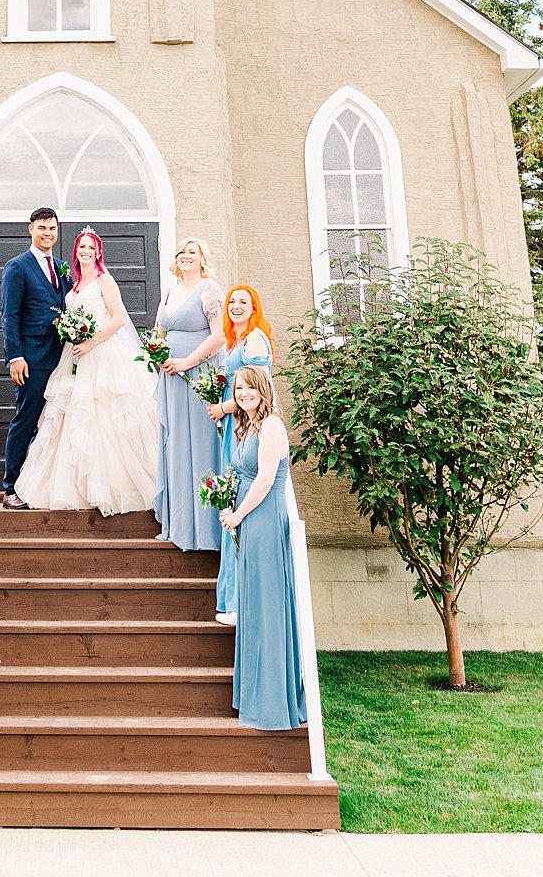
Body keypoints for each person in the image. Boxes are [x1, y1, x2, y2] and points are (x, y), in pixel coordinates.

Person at [15, 227, 158, 514]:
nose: (87, 252)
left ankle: (110, 488)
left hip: (102, 354)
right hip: (75, 354)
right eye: (82, 247)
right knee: (72, 416)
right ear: (76, 251)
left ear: (98, 252)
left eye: (92, 248)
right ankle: (76, 489)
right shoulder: (74, 283)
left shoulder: (105, 280)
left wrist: (91, 342)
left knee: (103, 416)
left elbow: (118, 319)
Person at [219, 363, 308, 732]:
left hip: (264, 520)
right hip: (246, 519)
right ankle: (253, 696)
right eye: (238, 389)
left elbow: (267, 478)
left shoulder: (270, 426)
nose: (243, 394)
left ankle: (272, 703)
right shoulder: (245, 426)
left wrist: (238, 514)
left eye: (249, 389)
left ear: (262, 390)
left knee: (268, 604)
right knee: (253, 604)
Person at [208, 283, 275, 624]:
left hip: (244, 426)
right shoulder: (236, 339)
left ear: (254, 308)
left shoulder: (254, 340)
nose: (235, 306)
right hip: (235, 427)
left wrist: (225, 405)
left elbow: (261, 387)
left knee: (239, 497)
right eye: (232, 301)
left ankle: (237, 602)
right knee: (230, 495)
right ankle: (231, 598)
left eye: (243, 302)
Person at [152, 235, 225, 550]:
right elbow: (159, 333)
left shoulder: (209, 290)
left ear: (202, 258)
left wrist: (186, 362)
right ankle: (179, 522)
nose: (185, 255)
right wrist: (157, 355)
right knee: (176, 445)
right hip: (171, 377)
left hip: (198, 377)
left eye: (192, 251)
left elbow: (220, 335)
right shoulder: (169, 291)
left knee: (200, 444)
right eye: (181, 250)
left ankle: (205, 529)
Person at [0, 206, 66, 508]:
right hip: (31, 359)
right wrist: (15, 356)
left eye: (52, 228)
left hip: (62, 358)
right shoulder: (17, 266)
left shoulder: (63, 268)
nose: (47, 233)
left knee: (55, 423)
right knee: (26, 421)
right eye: (42, 228)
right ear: (31, 229)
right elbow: (9, 316)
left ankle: (40, 486)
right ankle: (11, 487)